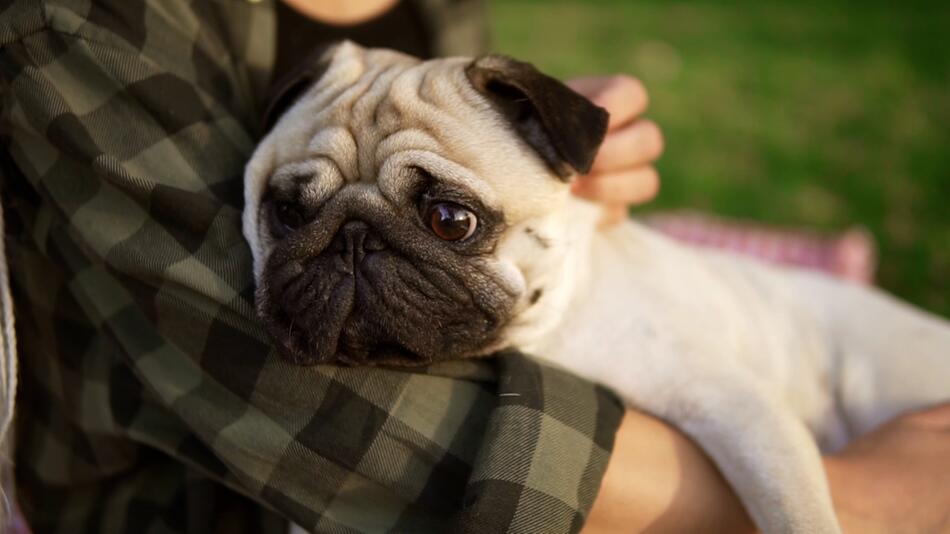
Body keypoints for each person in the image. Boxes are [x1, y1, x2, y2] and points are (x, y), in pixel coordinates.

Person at [0, 1, 947, 533]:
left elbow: (745, 409)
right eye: (299, 209)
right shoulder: (81, 29)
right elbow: (289, 408)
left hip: (867, 383)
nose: (355, 251)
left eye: (449, 219)